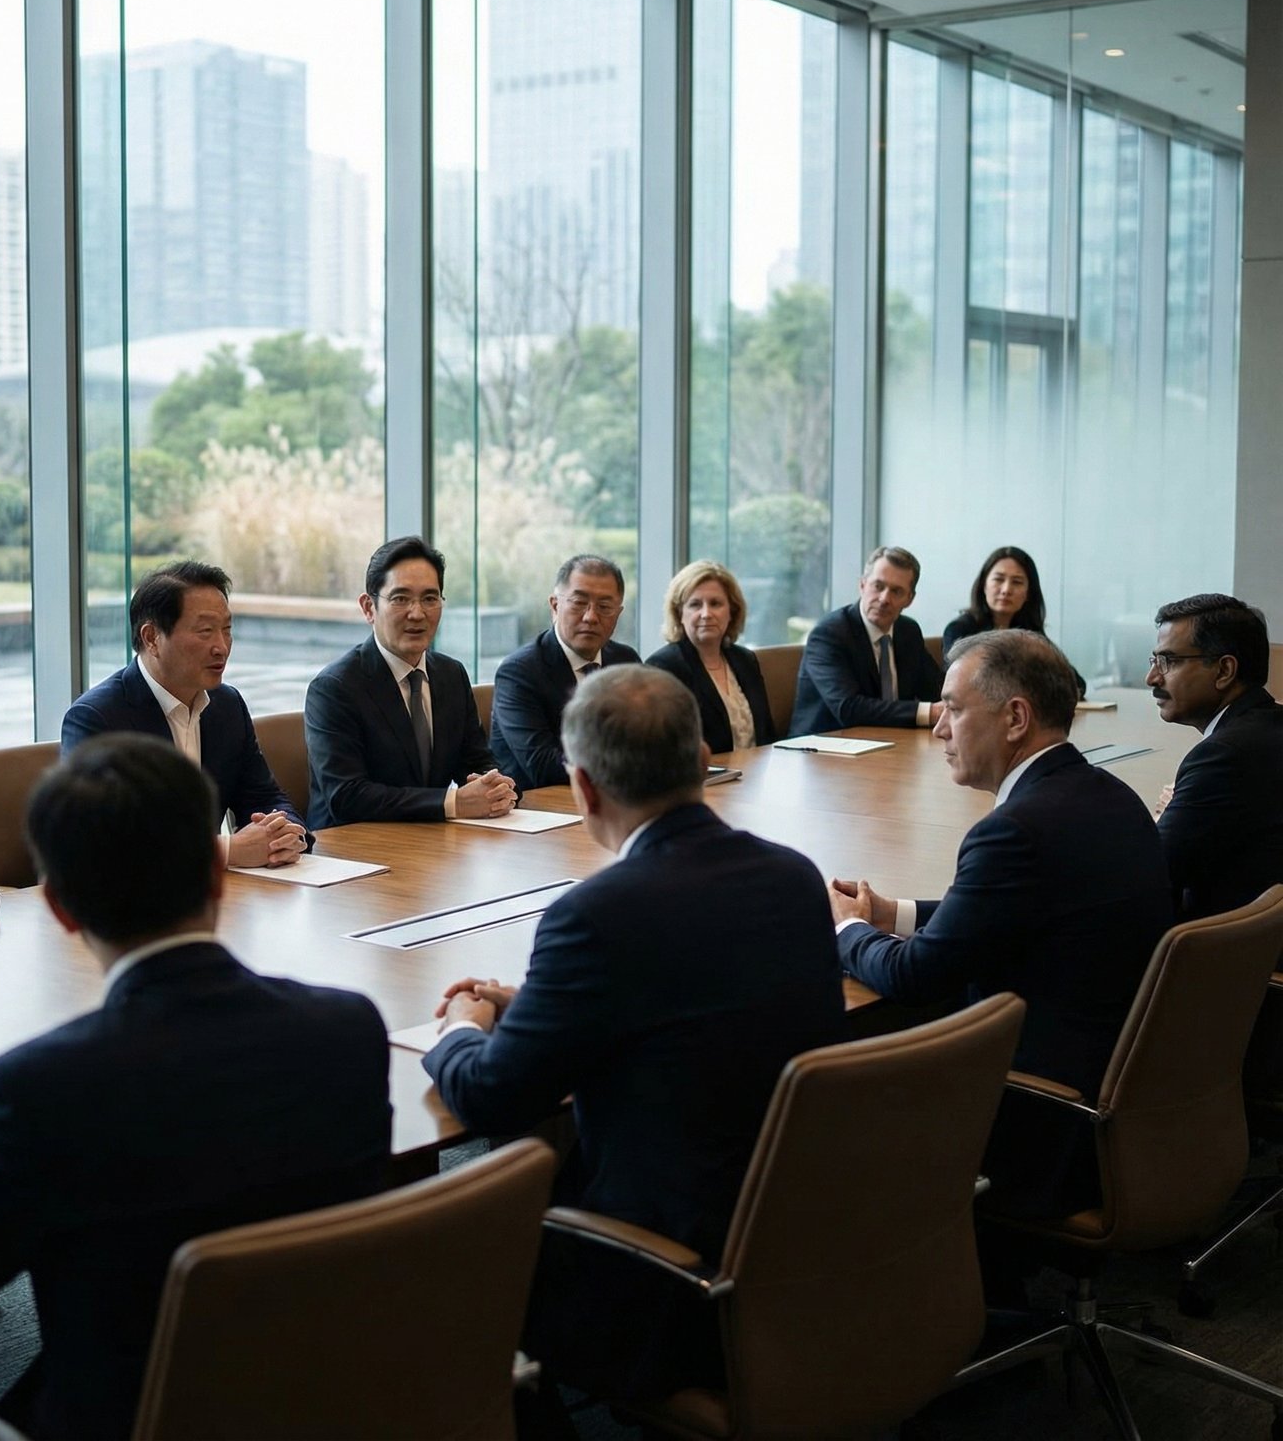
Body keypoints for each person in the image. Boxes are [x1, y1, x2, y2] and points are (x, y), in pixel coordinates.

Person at [0, 733, 391, 1441]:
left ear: (58, 909)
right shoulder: (349, 1029)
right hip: (332, 1397)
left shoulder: (42, 1089)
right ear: (215, 875)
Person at [426, 666, 845, 1397]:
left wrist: (459, 1029)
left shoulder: (596, 914)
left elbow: (494, 1098)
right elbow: (692, 984)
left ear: (584, 787)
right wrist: (546, 998)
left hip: (667, 1271)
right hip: (802, 1230)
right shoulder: (792, 877)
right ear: (699, 758)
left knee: (445, 1258)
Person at [830, 629, 1172, 1217]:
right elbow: (1007, 914)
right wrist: (892, 914)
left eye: (955, 710)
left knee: (836, 1094)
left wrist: (848, 931)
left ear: (1015, 718)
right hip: (1120, 1083)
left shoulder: (1014, 831)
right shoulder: (1108, 794)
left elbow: (918, 978)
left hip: (1039, 1110)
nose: (938, 728)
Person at [62, 560, 309, 868]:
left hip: (212, 896)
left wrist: (286, 834)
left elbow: (264, 796)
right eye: (205, 631)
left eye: (227, 630)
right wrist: (226, 850)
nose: (221, 647)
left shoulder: (226, 704)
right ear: (152, 638)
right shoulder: (98, 717)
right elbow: (103, 839)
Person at [304, 535, 513, 828]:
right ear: (368, 607)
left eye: (430, 598)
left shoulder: (451, 674)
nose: (417, 613)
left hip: (430, 843)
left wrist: (495, 785)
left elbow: (477, 762)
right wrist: (452, 802)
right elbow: (347, 796)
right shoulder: (335, 688)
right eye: (401, 598)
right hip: (353, 849)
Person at [1147, 592, 1283, 924]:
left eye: (1169, 661)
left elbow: (1150, 875)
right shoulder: (1270, 725)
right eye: (1154, 660)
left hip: (1233, 956)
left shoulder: (1224, 757)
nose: (1152, 678)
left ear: (1224, 670)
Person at [488, 553, 641, 789]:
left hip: (615, 799)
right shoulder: (520, 672)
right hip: (541, 811)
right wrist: (634, 761)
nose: (591, 617)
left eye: (604, 607)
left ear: (618, 613)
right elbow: (543, 766)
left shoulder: (626, 662)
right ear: (555, 605)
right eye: (579, 603)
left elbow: (650, 738)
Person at [788, 545, 944, 736]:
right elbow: (848, 708)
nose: (884, 598)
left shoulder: (908, 631)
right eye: (878, 586)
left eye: (896, 591)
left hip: (889, 744)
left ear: (909, 599)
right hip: (823, 748)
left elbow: (937, 689)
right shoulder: (830, 633)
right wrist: (930, 712)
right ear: (862, 585)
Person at [644, 559, 774, 751]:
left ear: (732, 611)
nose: (706, 614)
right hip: (704, 779)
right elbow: (665, 748)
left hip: (757, 773)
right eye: (695, 605)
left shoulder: (745, 660)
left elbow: (767, 734)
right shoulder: (664, 666)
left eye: (715, 604)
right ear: (679, 613)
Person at [943, 545, 1085, 695]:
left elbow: (1075, 683)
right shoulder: (961, 629)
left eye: (1017, 582)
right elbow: (967, 686)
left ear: (1028, 593)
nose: (1006, 590)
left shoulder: (1029, 633)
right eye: (998, 579)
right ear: (984, 586)